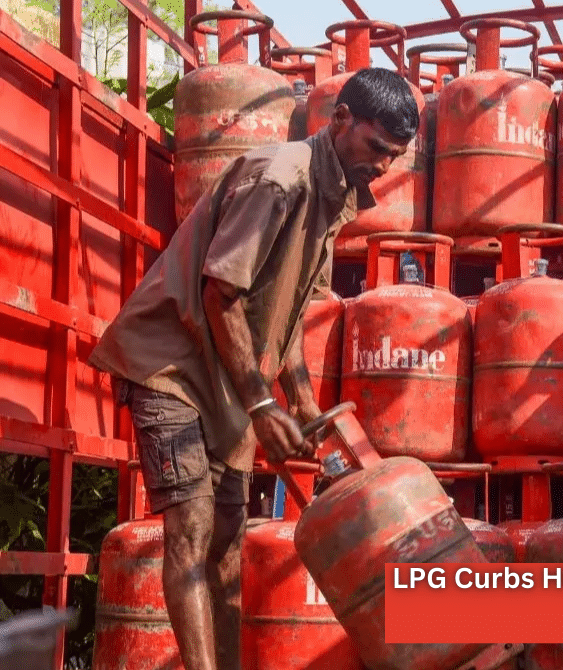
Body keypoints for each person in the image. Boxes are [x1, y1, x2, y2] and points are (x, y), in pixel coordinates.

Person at [87, 67, 419, 670]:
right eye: (377, 148)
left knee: (227, 546)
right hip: (170, 363)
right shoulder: (281, 177)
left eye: (394, 158)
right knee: (190, 531)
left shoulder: (334, 197)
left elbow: (283, 317)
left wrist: (307, 407)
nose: (382, 167)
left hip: (224, 378)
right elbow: (221, 293)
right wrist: (264, 405)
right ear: (340, 119)